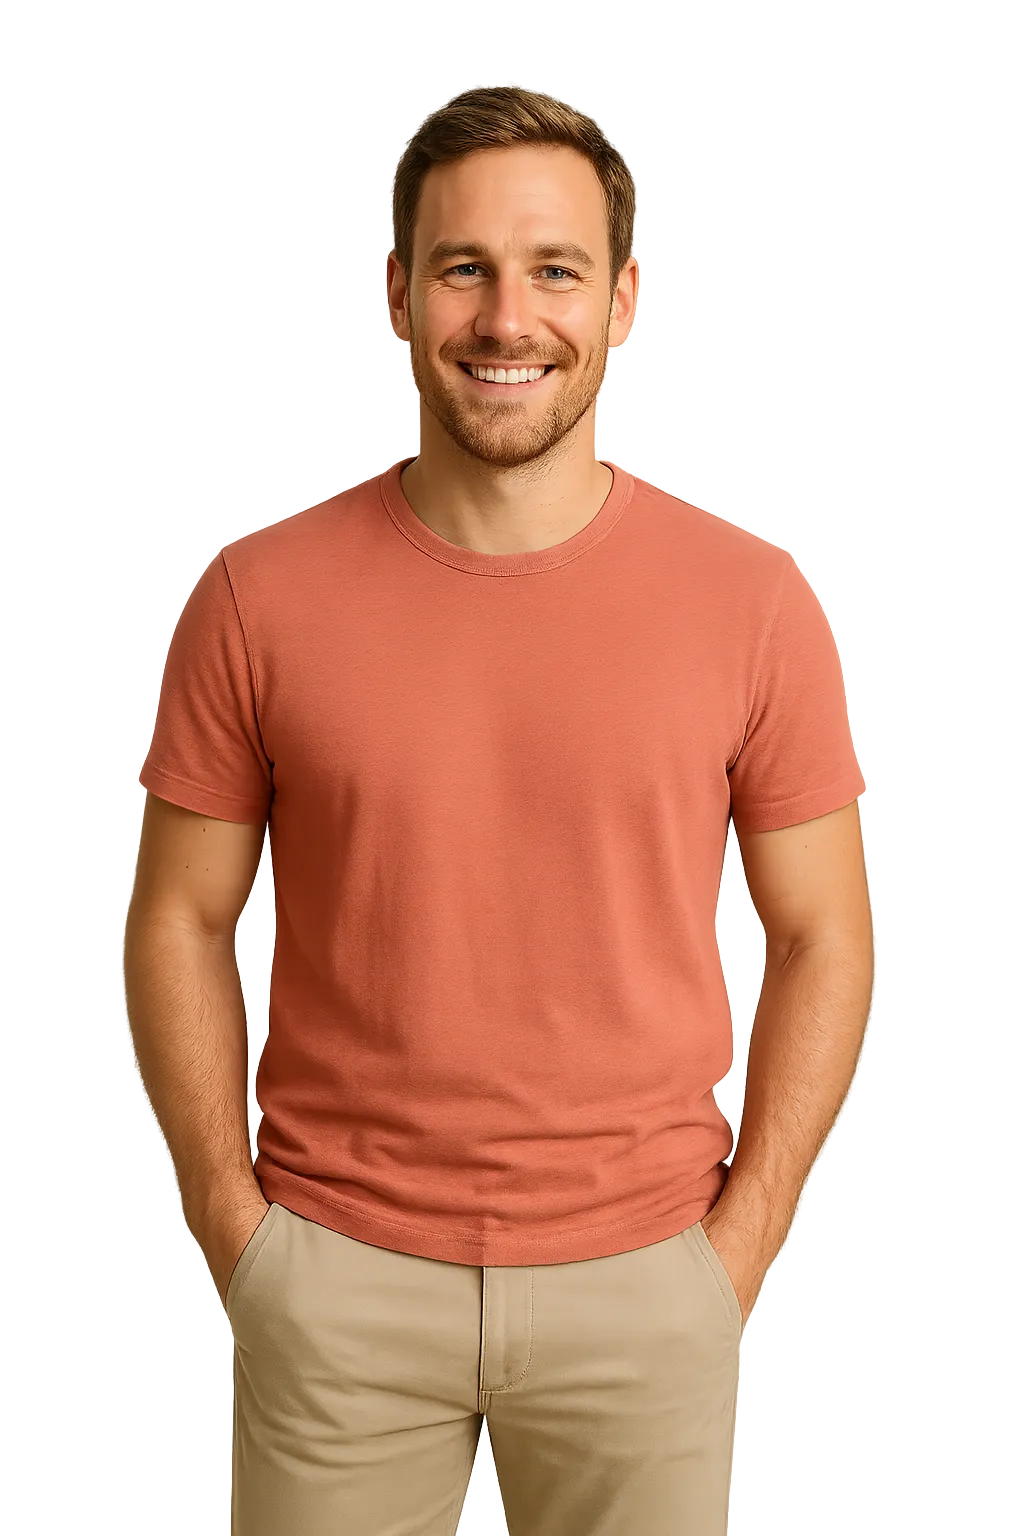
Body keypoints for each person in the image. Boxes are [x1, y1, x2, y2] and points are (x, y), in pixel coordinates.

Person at [125, 85, 874, 1536]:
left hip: (646, 1282)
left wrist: (739, 1246)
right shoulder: (254, 596)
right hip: (336, 1278)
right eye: (464, 267)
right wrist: (237, 1234)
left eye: (556, 269)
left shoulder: (755, 602)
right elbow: (178, 919)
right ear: (399, 296)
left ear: (622, 300)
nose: (507, 317)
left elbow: (824, 934)